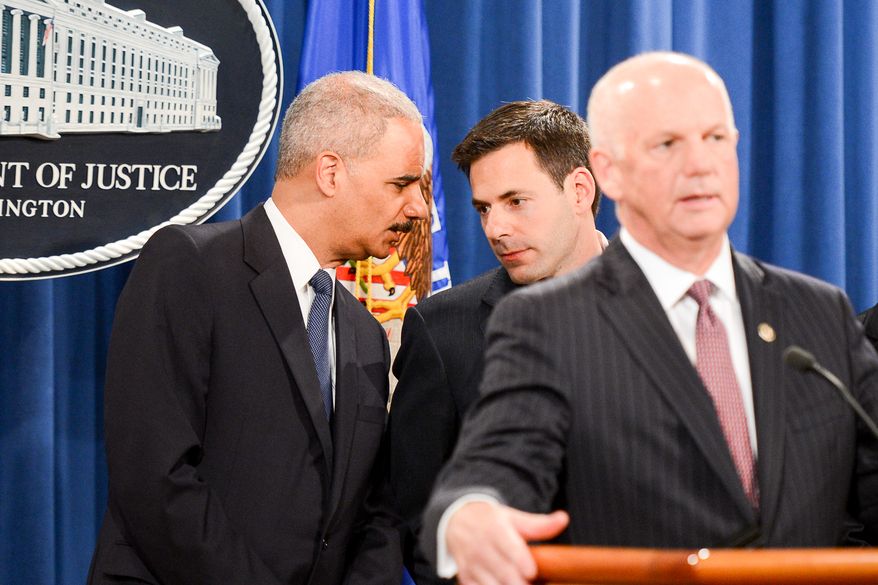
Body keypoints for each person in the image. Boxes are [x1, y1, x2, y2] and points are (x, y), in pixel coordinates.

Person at [420, 52, 878, 585]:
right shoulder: (545, 324)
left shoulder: (818, 311)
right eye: (667, 145)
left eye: (715, 139)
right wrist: (469, 516)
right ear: (607, 172)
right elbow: (494, 467)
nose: (700, 165)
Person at [87, 71, 429, 585]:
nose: (419, 209)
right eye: (402, 184)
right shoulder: (190, 267)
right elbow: (156, 476)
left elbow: (374, 513)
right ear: (330, 173)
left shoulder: (365, 334)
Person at [388, 100, 605, 584]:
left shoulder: (672, 308)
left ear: (579, 190)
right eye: (484, 208)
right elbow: (417, 513)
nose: (496, 229)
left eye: (515, 201)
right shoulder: (442, 330)